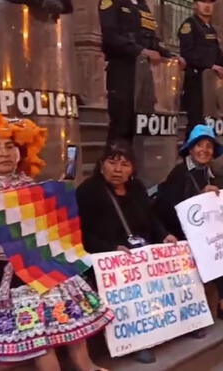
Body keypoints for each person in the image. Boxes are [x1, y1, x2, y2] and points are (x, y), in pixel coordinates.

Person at [0, 112, 112, 368]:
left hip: (32, 262)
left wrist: (56, 200)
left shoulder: (25, 183)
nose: (4, 153)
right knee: (35, 315)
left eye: (9, 146)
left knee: (65, 287)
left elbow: (41, 229)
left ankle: (86, 365)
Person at [76, 141, 180, 363]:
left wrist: (164, 235)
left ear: (132, 169)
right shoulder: (88, 191)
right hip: (106, 259)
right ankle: (135, 341)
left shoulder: (137, 188)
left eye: (124, 164)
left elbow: (150, 218)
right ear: (101, 164)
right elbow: (80, 232)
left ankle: (176, 324)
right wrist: (110, 249)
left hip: (139, 254)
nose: (117, 169)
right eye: (112, 163)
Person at [156, 124, 223, 325]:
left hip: (207, 230)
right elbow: (169, 209)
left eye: (209, 146)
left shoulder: (214, 172)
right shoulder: (179, 174)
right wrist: (199, 197)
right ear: (190, 148)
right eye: (199, 145)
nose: (204, 150)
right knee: (220, 250)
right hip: (181, 234)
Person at [99, 0, 177, 143]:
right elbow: (110, 37)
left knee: (142, 123)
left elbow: (151, 39)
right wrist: (141, 51)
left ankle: (136, 162)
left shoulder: (143, 6)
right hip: (122, 69)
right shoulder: (112, 2)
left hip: (143, 72)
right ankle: (113, 162)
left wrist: (171, 56)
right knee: (122, 123)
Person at [179, 0, 223, 138]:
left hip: (210, 84)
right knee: (196, 121)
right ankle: (190, 155)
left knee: (208, 121)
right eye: (203, 2)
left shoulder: (210, 29)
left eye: (210, 2)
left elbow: (217, 53)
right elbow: (188, 53)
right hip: (196, 81)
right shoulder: (189, 24)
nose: (207, 6)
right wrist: (210, 65)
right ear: (195, 4)